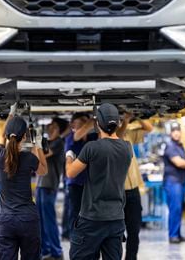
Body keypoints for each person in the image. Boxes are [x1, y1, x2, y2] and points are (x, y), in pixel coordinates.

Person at [66, 103, 132, 260]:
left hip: (92, 219)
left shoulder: (92, 147)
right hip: (116, 219)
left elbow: (70, 173)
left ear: (97, 124)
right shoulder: (127, 148)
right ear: (117, 122)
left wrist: (69, 155)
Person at [0, 104, 47, 260]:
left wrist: (11, 114)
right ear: (24, 136)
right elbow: (43, 170)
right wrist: (37, 144)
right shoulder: (29, 158)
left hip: (6, 221)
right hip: (27, 220)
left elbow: (1, 136)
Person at [117, 112, 153, 260]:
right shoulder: (108, 135)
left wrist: (137, 115)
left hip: (133, 190)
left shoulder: (129, 134)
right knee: (116, 232)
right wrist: (125, 121)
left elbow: (149, 128)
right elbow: (117, 135)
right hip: (117, 193)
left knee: (134, 230)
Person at [36, 118, 67, 260]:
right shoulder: (48, 142)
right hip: (41, 185)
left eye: (53, 127)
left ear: (59, 130)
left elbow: (43, 154)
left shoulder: (58, 143)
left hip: (49, 186)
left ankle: (57, 251)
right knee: (41, 220)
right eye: (49, 126)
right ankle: (46, 250)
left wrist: (36, 140)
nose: (50, 129)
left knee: (49, 220)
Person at [65, 113, 98, 237]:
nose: (85, 124)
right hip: (75, 184)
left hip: (91, 184)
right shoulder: (71, 138)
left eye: (86, 121)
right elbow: (80, 133)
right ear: (73, 124)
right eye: (81, 121)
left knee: (91, 216)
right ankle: (76, 241)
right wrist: (92, 119)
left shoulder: (93, 137)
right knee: (76, 214)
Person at [163, 121, 185, 244]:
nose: (176, 133)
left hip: (180, 182)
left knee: (179, 209)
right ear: (171, 133)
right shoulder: (170, 146)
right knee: (174, 209)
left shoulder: (179, 145)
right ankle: (173, 235)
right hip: (173, 183)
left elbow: (183, 160)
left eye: (178, 131)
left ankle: (177, 234)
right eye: (174, 131)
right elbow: (178, 162)